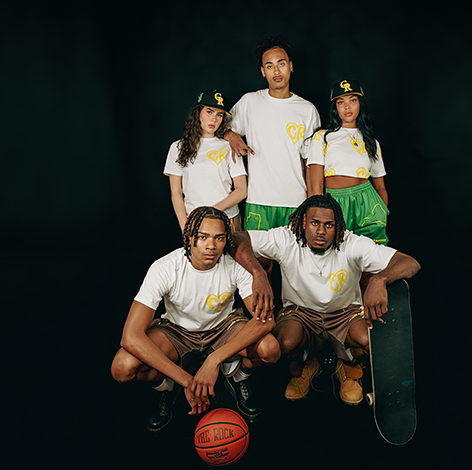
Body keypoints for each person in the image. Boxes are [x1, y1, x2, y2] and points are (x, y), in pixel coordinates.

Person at [230, 195, 420, 405]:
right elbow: (236, 239)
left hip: (344, 313)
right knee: (283, 343)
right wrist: (258, 273)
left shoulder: (352, 243)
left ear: (337, 226)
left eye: (329, 225)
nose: (321, 231)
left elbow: (409, 262)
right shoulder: (287, 238)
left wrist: (379, 279)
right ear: (303, 222)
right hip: (300, 312)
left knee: (369, 341)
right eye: (315, 223)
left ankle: (348, 368)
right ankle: (306, 365)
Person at [110, 206, 279, 428]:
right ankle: (168, 386)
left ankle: (237, 377)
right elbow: (130, 337)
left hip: (223, 329)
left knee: (270, 349)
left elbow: (266, 320)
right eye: (203, 237)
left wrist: (214, 359)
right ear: (190, 238)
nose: (211, 245)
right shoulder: (165, 268)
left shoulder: (235, 264)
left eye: (219, 238)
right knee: (122, 367)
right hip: (177, 332)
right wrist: (188, 382)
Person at [224, 35, 320, 231]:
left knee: (295, 260)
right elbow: (217, 125)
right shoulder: (249, 102)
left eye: (281, 64)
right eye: (269, 66)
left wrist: (311, 203)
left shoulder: (307, 110)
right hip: (259, 200)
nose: (276, 71)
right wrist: (231, 135)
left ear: (291, 66)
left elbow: (311, 161)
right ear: (262, 72)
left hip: (296, 203)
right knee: (259, 261)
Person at [306, 79, 389, 245]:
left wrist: (383, 210)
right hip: (335, 202)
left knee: (370, 258)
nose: (347, 107)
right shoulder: (322, 137)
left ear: (360, 104)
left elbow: (380, 186)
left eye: (353, 100)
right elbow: (316, 187)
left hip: (368, 203)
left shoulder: (372, 142)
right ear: (335, 108)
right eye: (340, 102)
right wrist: (318, 215)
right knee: (337, 254)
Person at [164, 89, 247, 232]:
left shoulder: (228, 146)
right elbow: (176, 191)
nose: (214, 119)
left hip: (228, 219)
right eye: (209, 112)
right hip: (195, 222)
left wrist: (211, 212)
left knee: (235, 254)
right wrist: (185, 225)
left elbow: (241, 190)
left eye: (219, 114)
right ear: (198, 113)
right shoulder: (178, 147)